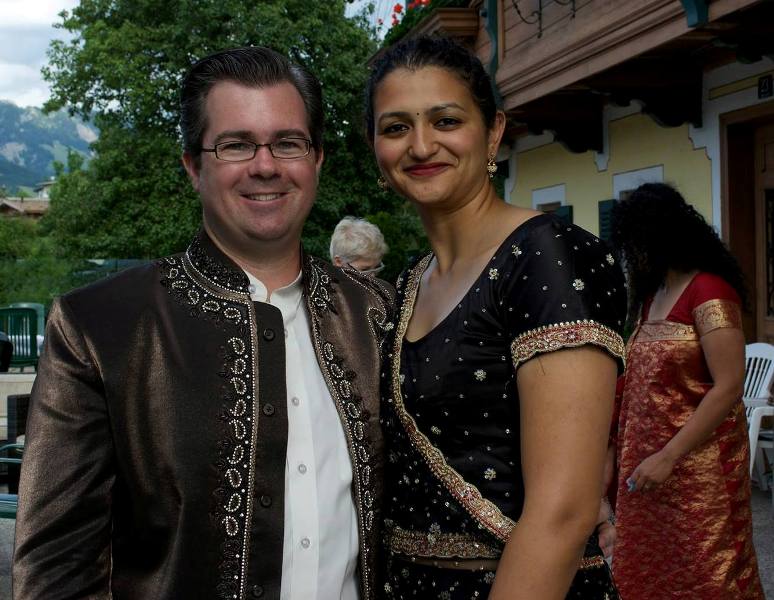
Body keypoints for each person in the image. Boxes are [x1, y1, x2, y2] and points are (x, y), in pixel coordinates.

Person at [13, 47, 393, 600]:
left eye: (288, 143)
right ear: (193, 166)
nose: (265, 166)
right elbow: (57, 570)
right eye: (236, 144)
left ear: (317, 161)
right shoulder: (99, 328)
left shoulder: (375, 314)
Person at [365, 35, 626, 599]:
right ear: (375, 147)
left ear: (493, 132)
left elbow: (564, 511)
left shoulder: (547, 256)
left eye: (446, 120)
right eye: (396, 127)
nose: (421, 145)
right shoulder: (410, 282)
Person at [610, 182, 764, 599]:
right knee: (647, 570)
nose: (634, 253)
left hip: (698, 470)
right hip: (643, 471)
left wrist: (668, 456)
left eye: (640, 241)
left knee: (708, 572)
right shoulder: (649, 298)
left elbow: (729, 386)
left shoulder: (709, 290)